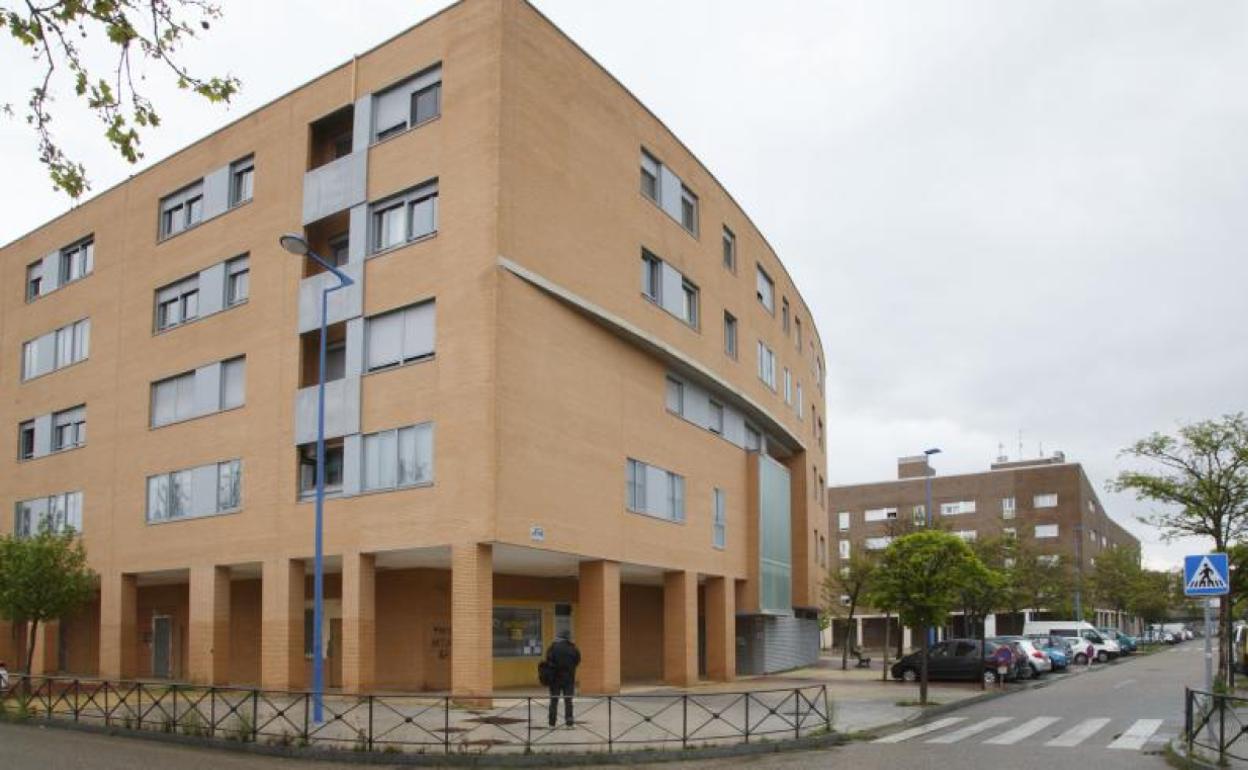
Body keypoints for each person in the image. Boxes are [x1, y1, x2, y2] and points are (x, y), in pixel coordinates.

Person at [544, 629, 580, 728]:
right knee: (568, 701)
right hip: (569, 679)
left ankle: (552, 723)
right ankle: (569, 723)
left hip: (555, 679)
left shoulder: (552, 647)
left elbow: (548, 660)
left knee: (554, 701)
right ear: (568, 637)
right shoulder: (573, 648)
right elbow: (577, 660)